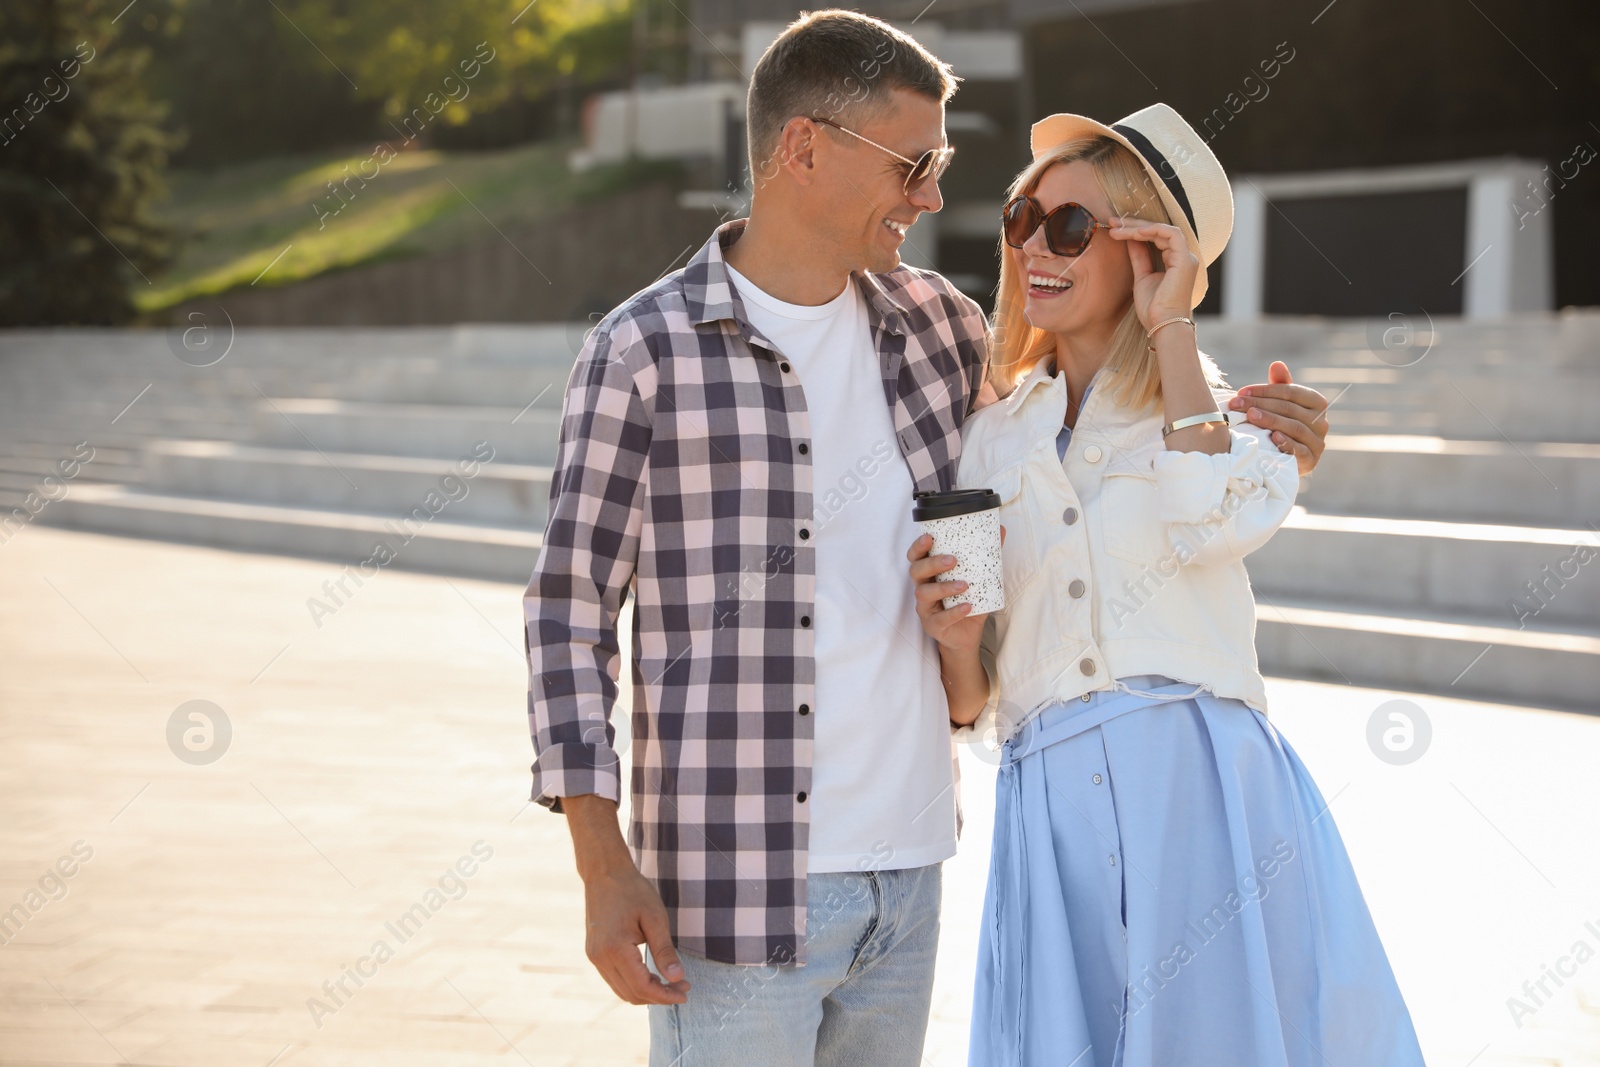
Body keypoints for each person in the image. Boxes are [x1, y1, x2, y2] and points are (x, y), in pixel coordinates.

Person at [524, 12, 1331, 1065]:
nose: (935, 196)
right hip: (735, 881)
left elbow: (1086, 445)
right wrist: (600, 859)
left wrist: (1267, 444)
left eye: (944, 165)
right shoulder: (642, 350)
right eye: (915, 163)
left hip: (910, 878)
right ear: (804, 148)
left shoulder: (941, 332)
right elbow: (567, 605)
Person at [908, 103, 1422, 1066]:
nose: (1034, 248)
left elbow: (1211, 519)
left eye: (1071, 226)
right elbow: (971, 698)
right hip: (1050, 795)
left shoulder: (1241, 424)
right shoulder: (988, 441)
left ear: (1149, 249)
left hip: (1203, 791)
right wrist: (950, 636)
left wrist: (1171, 324)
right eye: (1024, 220)